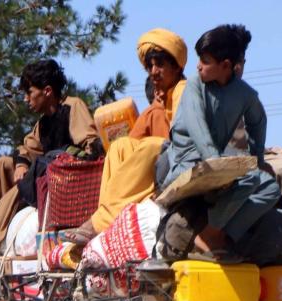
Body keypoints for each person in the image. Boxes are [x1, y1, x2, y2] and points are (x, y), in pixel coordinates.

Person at [164, 24, 281, 258]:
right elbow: (199, 129)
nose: (198, 66)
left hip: (215, 164)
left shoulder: (245, 94)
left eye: (205, 60)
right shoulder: (194, 87)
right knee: (246, 181)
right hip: (187, 164)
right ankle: (210, 235)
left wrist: (257, 158)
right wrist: (219, 167)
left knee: (270, 187)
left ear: (225, 66)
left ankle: (216, 233)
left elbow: (258, 121)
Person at [64, 29, 189, 244]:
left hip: (183, 158)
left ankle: (101, 222)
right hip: (166, 158)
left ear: (177, 66)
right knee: (120, 146)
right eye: (149, 66)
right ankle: (106, 215)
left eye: (160, 64)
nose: (153, 71)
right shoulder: (163, 98)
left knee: (152, 145)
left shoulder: (183, 90)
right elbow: (135, 137)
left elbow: (180, 137)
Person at [0, 59, 102, 253]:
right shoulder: (43, 123)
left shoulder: (72, 107)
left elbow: (91, 145)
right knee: (4, 164)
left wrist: (65, 161)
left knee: (23, 185)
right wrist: (21, 164)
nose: (25, 99)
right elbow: (27, 147)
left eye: (29, 92)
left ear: (47, 91)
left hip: (65, 184)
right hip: (45, 176)